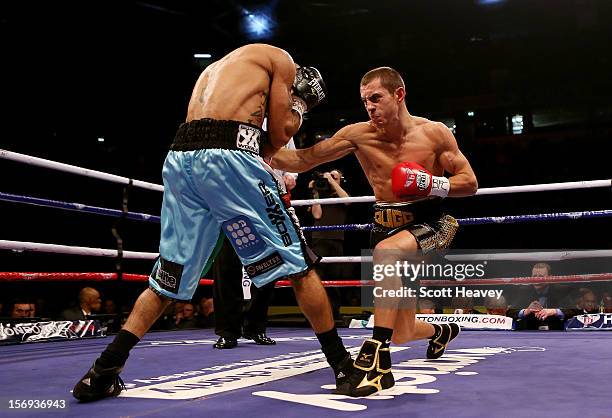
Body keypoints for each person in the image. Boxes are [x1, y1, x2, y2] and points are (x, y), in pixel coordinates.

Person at [72, 43, 352, 402]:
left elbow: (258, 144)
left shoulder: (218, 70)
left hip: (180, 161)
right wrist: (301, 102)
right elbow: (280, 135)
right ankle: (344, 367)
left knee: (167, 276)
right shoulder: (281, 60)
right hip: (227, 159)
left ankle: (103, 371)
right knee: (299, 263)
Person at [267, 66, 478, 396]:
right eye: (365, 101)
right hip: (384, 225)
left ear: (399, 95)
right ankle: (441, 330)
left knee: (387, 254)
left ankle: (377, 356)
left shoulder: (434, 133)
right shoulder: (358, 135)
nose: (369, 106)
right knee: (403, 332)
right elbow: (301, 160)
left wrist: (428, 182)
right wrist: (251, 147)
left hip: (432, 221)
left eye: (376, 98)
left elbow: (469, 183)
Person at [309, 168, 350, 319]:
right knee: (318, 277)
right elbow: (317, 214)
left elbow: (348, 201)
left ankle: (334, 313)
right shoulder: (321, 196)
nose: (329, 179)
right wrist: (314, 192)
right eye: (328, 177)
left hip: (337, 239)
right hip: (320, 239)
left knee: (334, 278)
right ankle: (316, 313)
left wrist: (332, 180)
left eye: (334, 177)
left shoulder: (341, 197)